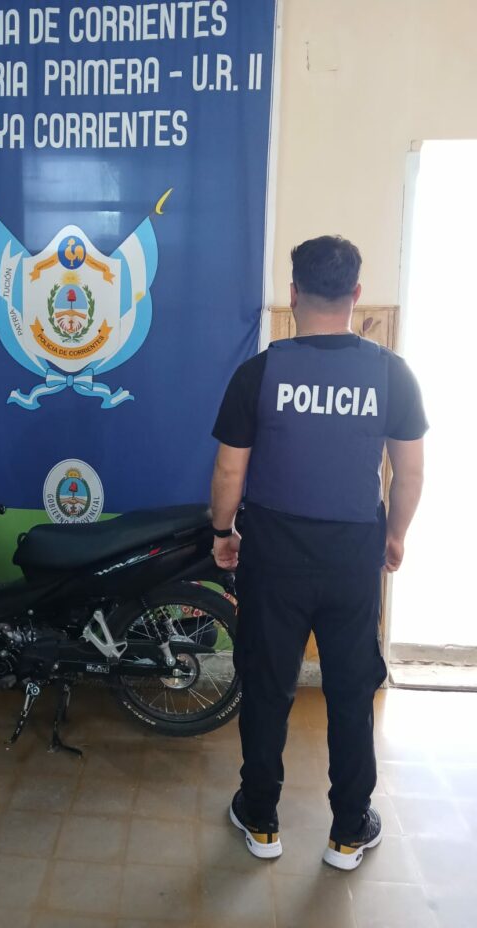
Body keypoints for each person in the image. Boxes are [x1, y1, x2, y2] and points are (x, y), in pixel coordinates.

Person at [210, 235, 427, 871]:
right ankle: (349, 831)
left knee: (267, 686)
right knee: (351, 692)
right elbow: (410, 473)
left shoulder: (260, 372)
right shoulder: (391, 373)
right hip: (353, 557)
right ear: (356, 293)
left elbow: (229, 471)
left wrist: (222, 532)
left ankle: (260, 819)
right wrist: (395, 536)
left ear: (293, 293)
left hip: (273, 556)